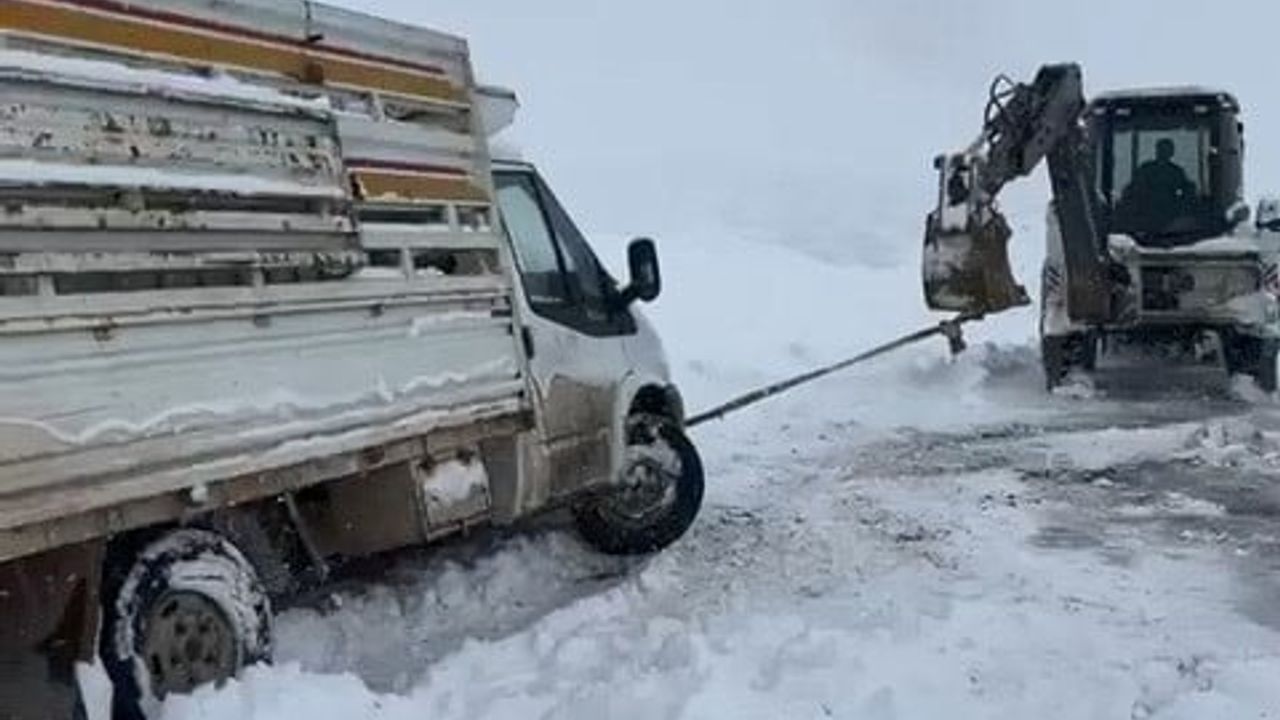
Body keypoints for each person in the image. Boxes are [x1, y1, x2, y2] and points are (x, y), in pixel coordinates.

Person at [1118, 138, 1197, 230]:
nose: (1164, 152)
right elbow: (1134, 189)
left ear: (1172, 153)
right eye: (1162, 149)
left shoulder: (1176, 172)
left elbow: (1187, 191)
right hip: (1145, 215)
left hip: (1170, 215)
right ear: (1157, 150)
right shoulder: (1146, 169)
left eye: (1167, 150)